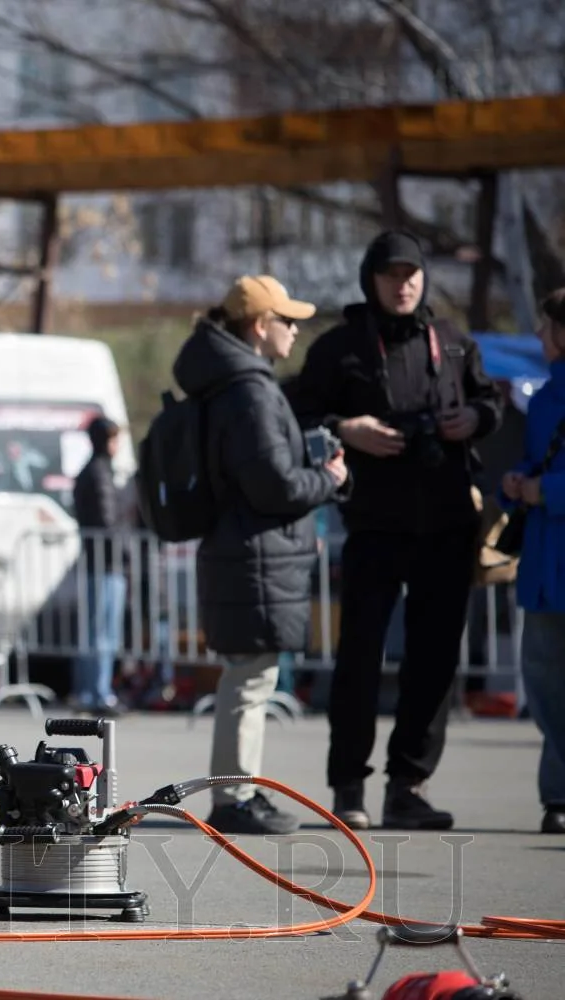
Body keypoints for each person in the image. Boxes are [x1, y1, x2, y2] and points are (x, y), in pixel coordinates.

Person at [292, 231, 502, 830]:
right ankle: (349, 787)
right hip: (374, 525)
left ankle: (408, 785)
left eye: (412, 273)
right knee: (359, 657)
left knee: (434, 661)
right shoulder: (339, 348)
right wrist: (346, 427)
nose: (404, 283)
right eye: (391, 274)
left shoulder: (455, 344)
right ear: (371, 279)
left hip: (446, 524)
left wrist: (476, 418)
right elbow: (301, 414)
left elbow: (493, 403)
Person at [173, 276, 349, 835]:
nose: (296, 330)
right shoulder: (249, 390)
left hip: (245, 550)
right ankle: (234, 799)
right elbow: (273, 485)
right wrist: (329, 476)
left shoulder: (231, 384)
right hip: (254, 554)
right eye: (287, 320)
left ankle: (239, 793)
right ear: (259, 325)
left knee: (248, 676)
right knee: (250, 679)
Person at [501, 289, 565, 834]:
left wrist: (544, 491)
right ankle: (557, 797)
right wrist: (515, 484)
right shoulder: (544, 399)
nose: (540, 337)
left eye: (547, 327)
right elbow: (530, 461)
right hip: (543, 565)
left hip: (552, 551)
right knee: (543, 682)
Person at [71, 416, 126, 714]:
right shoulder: (100, 473)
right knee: (103, 633)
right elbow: (108, 522)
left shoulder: (90, 471)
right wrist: (127, 549)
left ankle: (91, 691)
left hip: (98, 562)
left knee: (95, 632)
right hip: (106, 563)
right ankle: (99, 693)